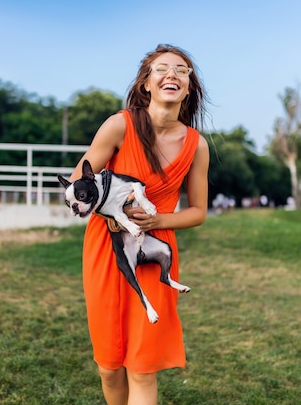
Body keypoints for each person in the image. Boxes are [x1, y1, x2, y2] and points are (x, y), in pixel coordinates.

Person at [67, 44, 209, 405]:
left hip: (154, 251)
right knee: (110, 366)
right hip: (106, 247)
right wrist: (113, 213)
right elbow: (76, 187)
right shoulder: (119, 125)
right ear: (147, 83)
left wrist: (159, 219)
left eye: (182, 70)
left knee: (142, 367)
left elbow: (198, 212)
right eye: (162, 69)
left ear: (189, 87)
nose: (172, 74)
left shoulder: (196, 146)